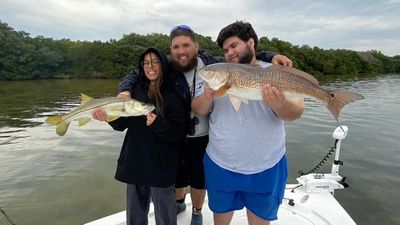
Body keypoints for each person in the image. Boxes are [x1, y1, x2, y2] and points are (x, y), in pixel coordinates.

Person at [116, 25, 293, 225]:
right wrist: (124, 89)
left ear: (196, 46)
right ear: (171, 50)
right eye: (176, 47)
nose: (181, 52)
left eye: (186, 45)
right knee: (177, 174)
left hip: (204, 133)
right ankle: (180, 201)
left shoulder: (213, 63)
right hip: (174, 131)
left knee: (199, 177)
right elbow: (138, 71)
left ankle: (197, 212)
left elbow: (243, 59)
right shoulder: (169, 66)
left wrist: (271, 56)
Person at [191, 21, 304, 225]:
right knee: (221, 220)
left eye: (234, 46)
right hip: (220, 163)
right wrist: (207, 96)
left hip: (266, 165)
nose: (230, 53)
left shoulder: (277, 70)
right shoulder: (216, 77)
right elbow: (198, 109)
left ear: (250, 42)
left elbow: (295, 113)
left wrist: (280, 105)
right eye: (226, 50)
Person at [92, 48, 186, 225]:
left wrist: (158, 124)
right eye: (146, 63)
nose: (150, 66)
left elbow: (179, 132)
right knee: (135, 217)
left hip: (162, 166)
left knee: (165, 217)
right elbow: (121, 125)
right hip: (136, 161)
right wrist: (108, 118)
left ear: (163, 64)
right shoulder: (134, 90)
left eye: (155, 62)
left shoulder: (174, 93)